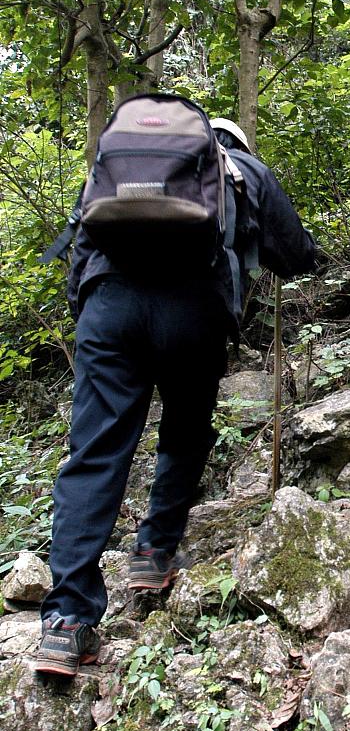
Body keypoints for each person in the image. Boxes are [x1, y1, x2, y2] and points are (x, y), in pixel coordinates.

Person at [35, 101, 316, 677]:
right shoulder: (241, 168)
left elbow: (81, 247)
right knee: (186, 432)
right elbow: (293, 251)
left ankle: (66, 622)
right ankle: (155, 552)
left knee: (93, 455)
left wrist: (94, 319)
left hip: (107, 308)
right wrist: (302, 259)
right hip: (192, 309)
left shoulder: (114, 170)